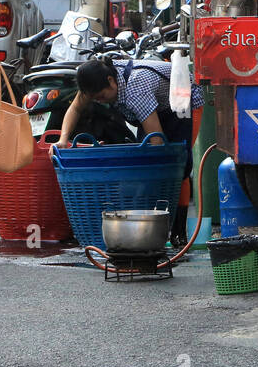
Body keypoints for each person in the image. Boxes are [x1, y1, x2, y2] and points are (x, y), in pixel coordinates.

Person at [59, 57, 204, 243]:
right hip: (157, 105)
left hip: (184, 101)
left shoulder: (136, 89)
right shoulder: (99, 80)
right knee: (149, 164)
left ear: (111, 81)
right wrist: (63, 139)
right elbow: (76, 108)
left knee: (177, 166)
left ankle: (178, 232)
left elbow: (157, 141)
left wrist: (156, 169)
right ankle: (151, 225)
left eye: (101, 97)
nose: (100, 101)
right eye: (95, 99)